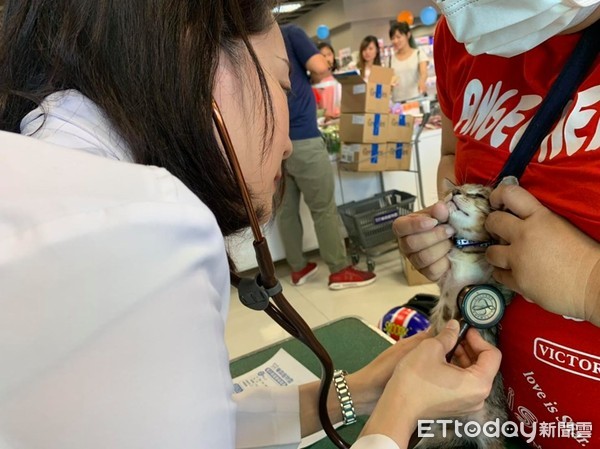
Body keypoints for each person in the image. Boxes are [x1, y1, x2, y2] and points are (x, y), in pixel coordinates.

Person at [0, 1, 503, 448]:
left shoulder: (51, 168)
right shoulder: (143, 225)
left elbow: (199, 427)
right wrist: (404, 410)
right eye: (284, 85)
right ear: (203, 56)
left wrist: (368, 389)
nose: (285, 142)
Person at [394, 2, 600, 448]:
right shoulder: (461, 34)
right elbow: (454, 158)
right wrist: (447, 236)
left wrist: (589, 283)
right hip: (493, 411)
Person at [278, 24, 377, 290]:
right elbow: (320, 66)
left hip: (271, 144)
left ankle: (298, 268)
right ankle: (339, 269)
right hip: (302, 137)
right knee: (323, 209)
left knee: (286, 212)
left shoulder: (245, 41)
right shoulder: (289, 34)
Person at [388, 22, 429, 103]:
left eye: (398, 37)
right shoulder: (389, 60)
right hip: (397, 103)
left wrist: (422, 82)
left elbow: (424, 73)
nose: (395, 41)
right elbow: (390, 82)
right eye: (393, 38)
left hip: (416, 99)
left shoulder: (418, 53)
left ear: (408, 35)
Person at [314, 42, 341, 122]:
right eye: (323, 56)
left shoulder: (339, 77)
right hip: (323, 121)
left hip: (340, 119)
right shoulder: (315, 81)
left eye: (329, 54)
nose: (327, 58)